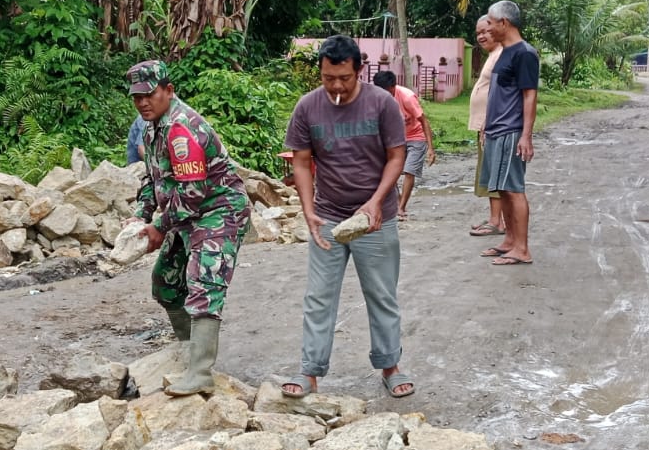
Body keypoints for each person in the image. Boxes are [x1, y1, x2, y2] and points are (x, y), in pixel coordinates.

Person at [281, 35, 414, 399]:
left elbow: (396, 156)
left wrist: (375, 202)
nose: (336, 86)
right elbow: (302, 162)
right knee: (319, 297)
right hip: (328, 216)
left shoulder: (382, 104)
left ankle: (390, 366)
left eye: (344, 78)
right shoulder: (308, 107)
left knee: (381, 295)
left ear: (360, 70)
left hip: (375, 219)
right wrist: (308, 211)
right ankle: (310, 372)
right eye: (328, 79)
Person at [128, 60, 251, 396]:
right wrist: (142, 215)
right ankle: (186, 350)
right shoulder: (153, 125)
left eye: (149, 94)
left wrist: (158, 226)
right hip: (188, 215)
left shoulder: (181, 127)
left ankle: (200, 372)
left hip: (218, 211)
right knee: (165, 282)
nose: (142, 102)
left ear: (168, 90)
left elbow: (192, 193)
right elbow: (154, 178)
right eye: (136, 97)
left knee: (204, 283)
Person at [479, 0, 539, 267]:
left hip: (510, 132)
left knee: (513, 189)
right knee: (501, 189)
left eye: (491, 22)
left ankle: (522, 248)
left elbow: (529, 95)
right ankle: (509, 242)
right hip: (495, 131)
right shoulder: (504, 51)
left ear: (504, 23)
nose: (488, 27)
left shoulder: (524, 53)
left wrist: (526, 135)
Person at [371, 69, 435, 220]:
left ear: (393, 87)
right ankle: (397, 201)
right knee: (389, 170)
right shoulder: (377, 98)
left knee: (409, 171)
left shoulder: (407, 97)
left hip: (416, 136)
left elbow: (424, 121)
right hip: (396, 138)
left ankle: (401, 207)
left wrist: (431, 149)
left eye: (386, 91)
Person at [467, 16, 505, 238]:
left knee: (494, 174)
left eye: (485, 31)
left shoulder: (501, 55)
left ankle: (496, 222)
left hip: (491, 126)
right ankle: (496, 219)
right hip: (486, 126)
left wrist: (488, 122)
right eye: (478, 32)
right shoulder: (494, 55)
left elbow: (499, 94)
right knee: (489, 172)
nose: (481, 36)